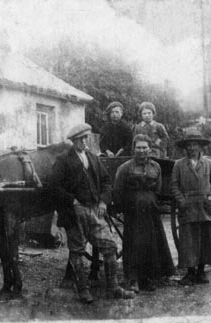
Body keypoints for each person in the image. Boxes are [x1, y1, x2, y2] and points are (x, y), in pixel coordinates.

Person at [49, 123, 135, 303]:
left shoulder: (93, 158)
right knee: (77, 251)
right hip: (74, 212)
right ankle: (83, 290)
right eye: (80, 139)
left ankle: (113, 287)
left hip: (95, 210)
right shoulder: (63, 159)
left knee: (110, 246)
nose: (84, 141)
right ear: (73, 141)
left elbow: (106, 181)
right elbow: (53, 186)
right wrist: (71, 200)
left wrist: (103, 200)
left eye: (85, 138)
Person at [113, 134, 175, 293]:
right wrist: (125, 207)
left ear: (149, 149)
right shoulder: (125, 167)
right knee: (133, 244)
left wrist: (150, 201)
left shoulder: (156, 167)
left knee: (151, 243)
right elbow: (118, 191)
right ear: (134, 149)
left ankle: (149, 278)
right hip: (134, 212)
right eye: (138, 147)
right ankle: (133, 280)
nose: (141, 150)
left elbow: (158, 189)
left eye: (144, 147)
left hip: (151, 210)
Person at [170, 129, 211, 285]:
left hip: (205, 205)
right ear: (185, 148)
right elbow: (174, 185)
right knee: (189, 239)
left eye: (195, 145)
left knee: (205, 238)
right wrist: (181, 201)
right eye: (189, 145)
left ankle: (201, 272)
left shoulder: (208, 163)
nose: (192, 148)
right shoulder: (179, 164)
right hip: (188, 205)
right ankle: (190, 272)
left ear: (200, 147)